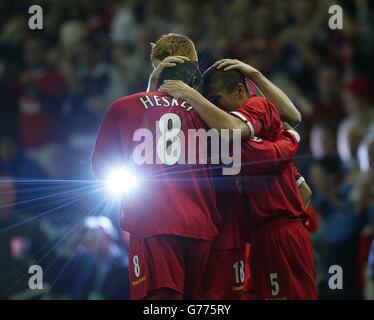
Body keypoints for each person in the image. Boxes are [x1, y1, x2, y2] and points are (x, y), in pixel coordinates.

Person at [92, 61, 302, 300]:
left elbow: (101, 168)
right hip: (208, 232)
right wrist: (289, 140)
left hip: (188, 230)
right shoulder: (208, 114)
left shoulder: (218, 113)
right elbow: (292, 129)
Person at [160, 63, 316, 299]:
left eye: (216, 99)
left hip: (277, 234)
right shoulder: (263, 136)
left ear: (240, 92)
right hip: (260, 237)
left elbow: (239, 131)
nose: (213, 107)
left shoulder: (256, 107)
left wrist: (190, 94)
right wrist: (289, 140)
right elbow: (303, 190)